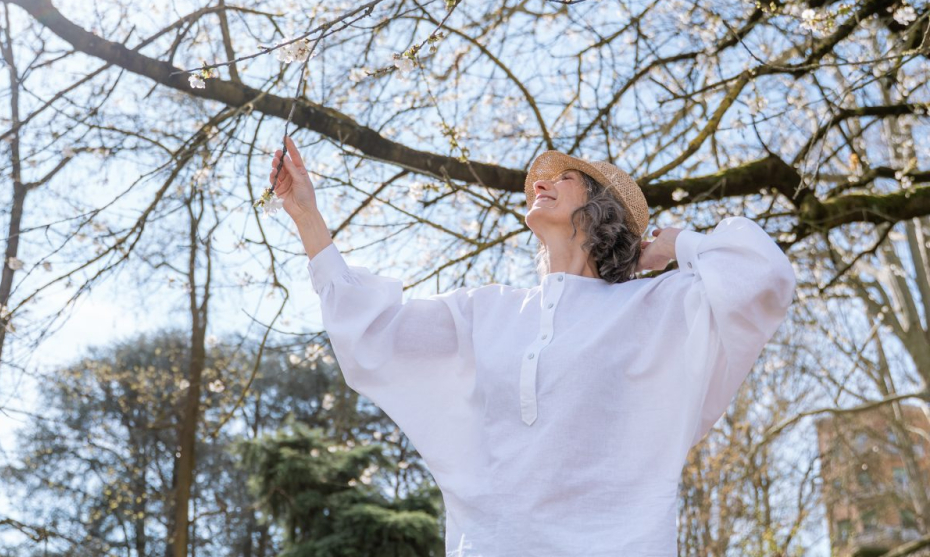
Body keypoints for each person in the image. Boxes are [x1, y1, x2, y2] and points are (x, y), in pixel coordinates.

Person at [269, 136, 796, 557]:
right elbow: (374, 334)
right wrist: (307, 217)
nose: (543, 182)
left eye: (565, 178)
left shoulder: (658, 308)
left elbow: (763, 278)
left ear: (600, 210)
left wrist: (678, 244)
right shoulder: (488, 311)